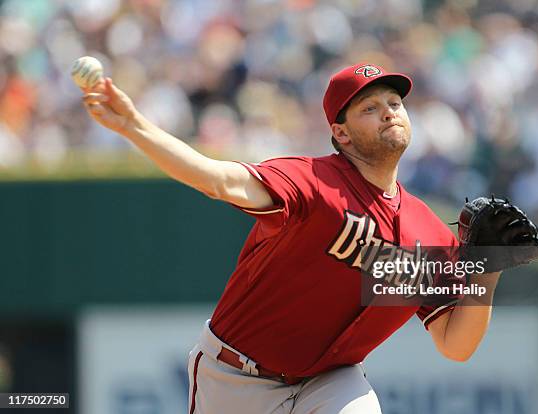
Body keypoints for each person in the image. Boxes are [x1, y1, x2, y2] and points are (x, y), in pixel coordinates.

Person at [81, 63, 505, 414]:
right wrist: (135, 126)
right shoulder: (312, 182)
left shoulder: (427, 230)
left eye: (395, 103)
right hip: (236, 377)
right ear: (341, 134)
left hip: (332, 382)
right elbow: (219, 181)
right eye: (370, 108)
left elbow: (456, 343)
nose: (389, 112)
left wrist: (489, 267)